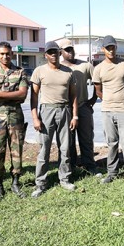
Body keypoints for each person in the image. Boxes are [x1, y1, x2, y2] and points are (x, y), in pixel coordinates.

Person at [30, 40, 78, 198]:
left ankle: (64, 179)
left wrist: (75, 115)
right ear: (46, 55)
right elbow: (34, 96)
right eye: (50, 52)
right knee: (44, 149)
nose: (53, 55)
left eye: (55, 52)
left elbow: (74, 96)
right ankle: (40, 183)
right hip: (46, 112)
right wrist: (35, 118)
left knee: (65, 148)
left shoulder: (68, 71)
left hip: (65, 111)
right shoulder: (39, 71)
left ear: (59, 53)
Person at [92, 35, 124, 186]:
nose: (111, 50)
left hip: (123, 110)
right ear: (103, 50)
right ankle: (112, 173)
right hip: (107, 111)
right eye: (108, 48)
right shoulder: (98, 69)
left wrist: (123, 98)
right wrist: (108, 100)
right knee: (112, 143)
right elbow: (98, 90)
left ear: (115, 47)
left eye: (113, 47)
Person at [0, 41, 29, 201]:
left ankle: (15, 182)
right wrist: (9, 94)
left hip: (16, 117)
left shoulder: (20, 72)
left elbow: (23, 94)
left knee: (17, 151)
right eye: (2, 54)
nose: (5, 56)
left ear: (12, 54)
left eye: (8, 53)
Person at [58, 38, 98, 174]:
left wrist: (93, 99)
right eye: (67, 50)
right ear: (61, 52)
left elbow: (98, 82)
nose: (70, 52)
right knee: (68, 140)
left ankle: (89, 165)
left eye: (72, 49)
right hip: (66, 109)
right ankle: (72, 166)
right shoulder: (59, 68)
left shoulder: (85, 65)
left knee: (86, 138)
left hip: (82, 107)